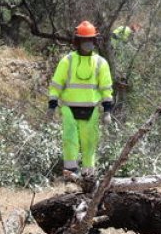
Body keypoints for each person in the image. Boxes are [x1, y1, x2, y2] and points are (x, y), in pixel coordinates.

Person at [48, 20, 114, 178]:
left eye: (90, 40)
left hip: (91, 110)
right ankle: (70, 174)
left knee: (89, 143)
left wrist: (107, 111)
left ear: (95, 41)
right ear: (77, 42)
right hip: (68, 108)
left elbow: (106, 88)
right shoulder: (67, 61)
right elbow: (56, 84)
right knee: (70, 140)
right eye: (85, 40)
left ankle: (88, 176)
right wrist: (52, 105)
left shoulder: (101, 63)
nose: (88, 43)